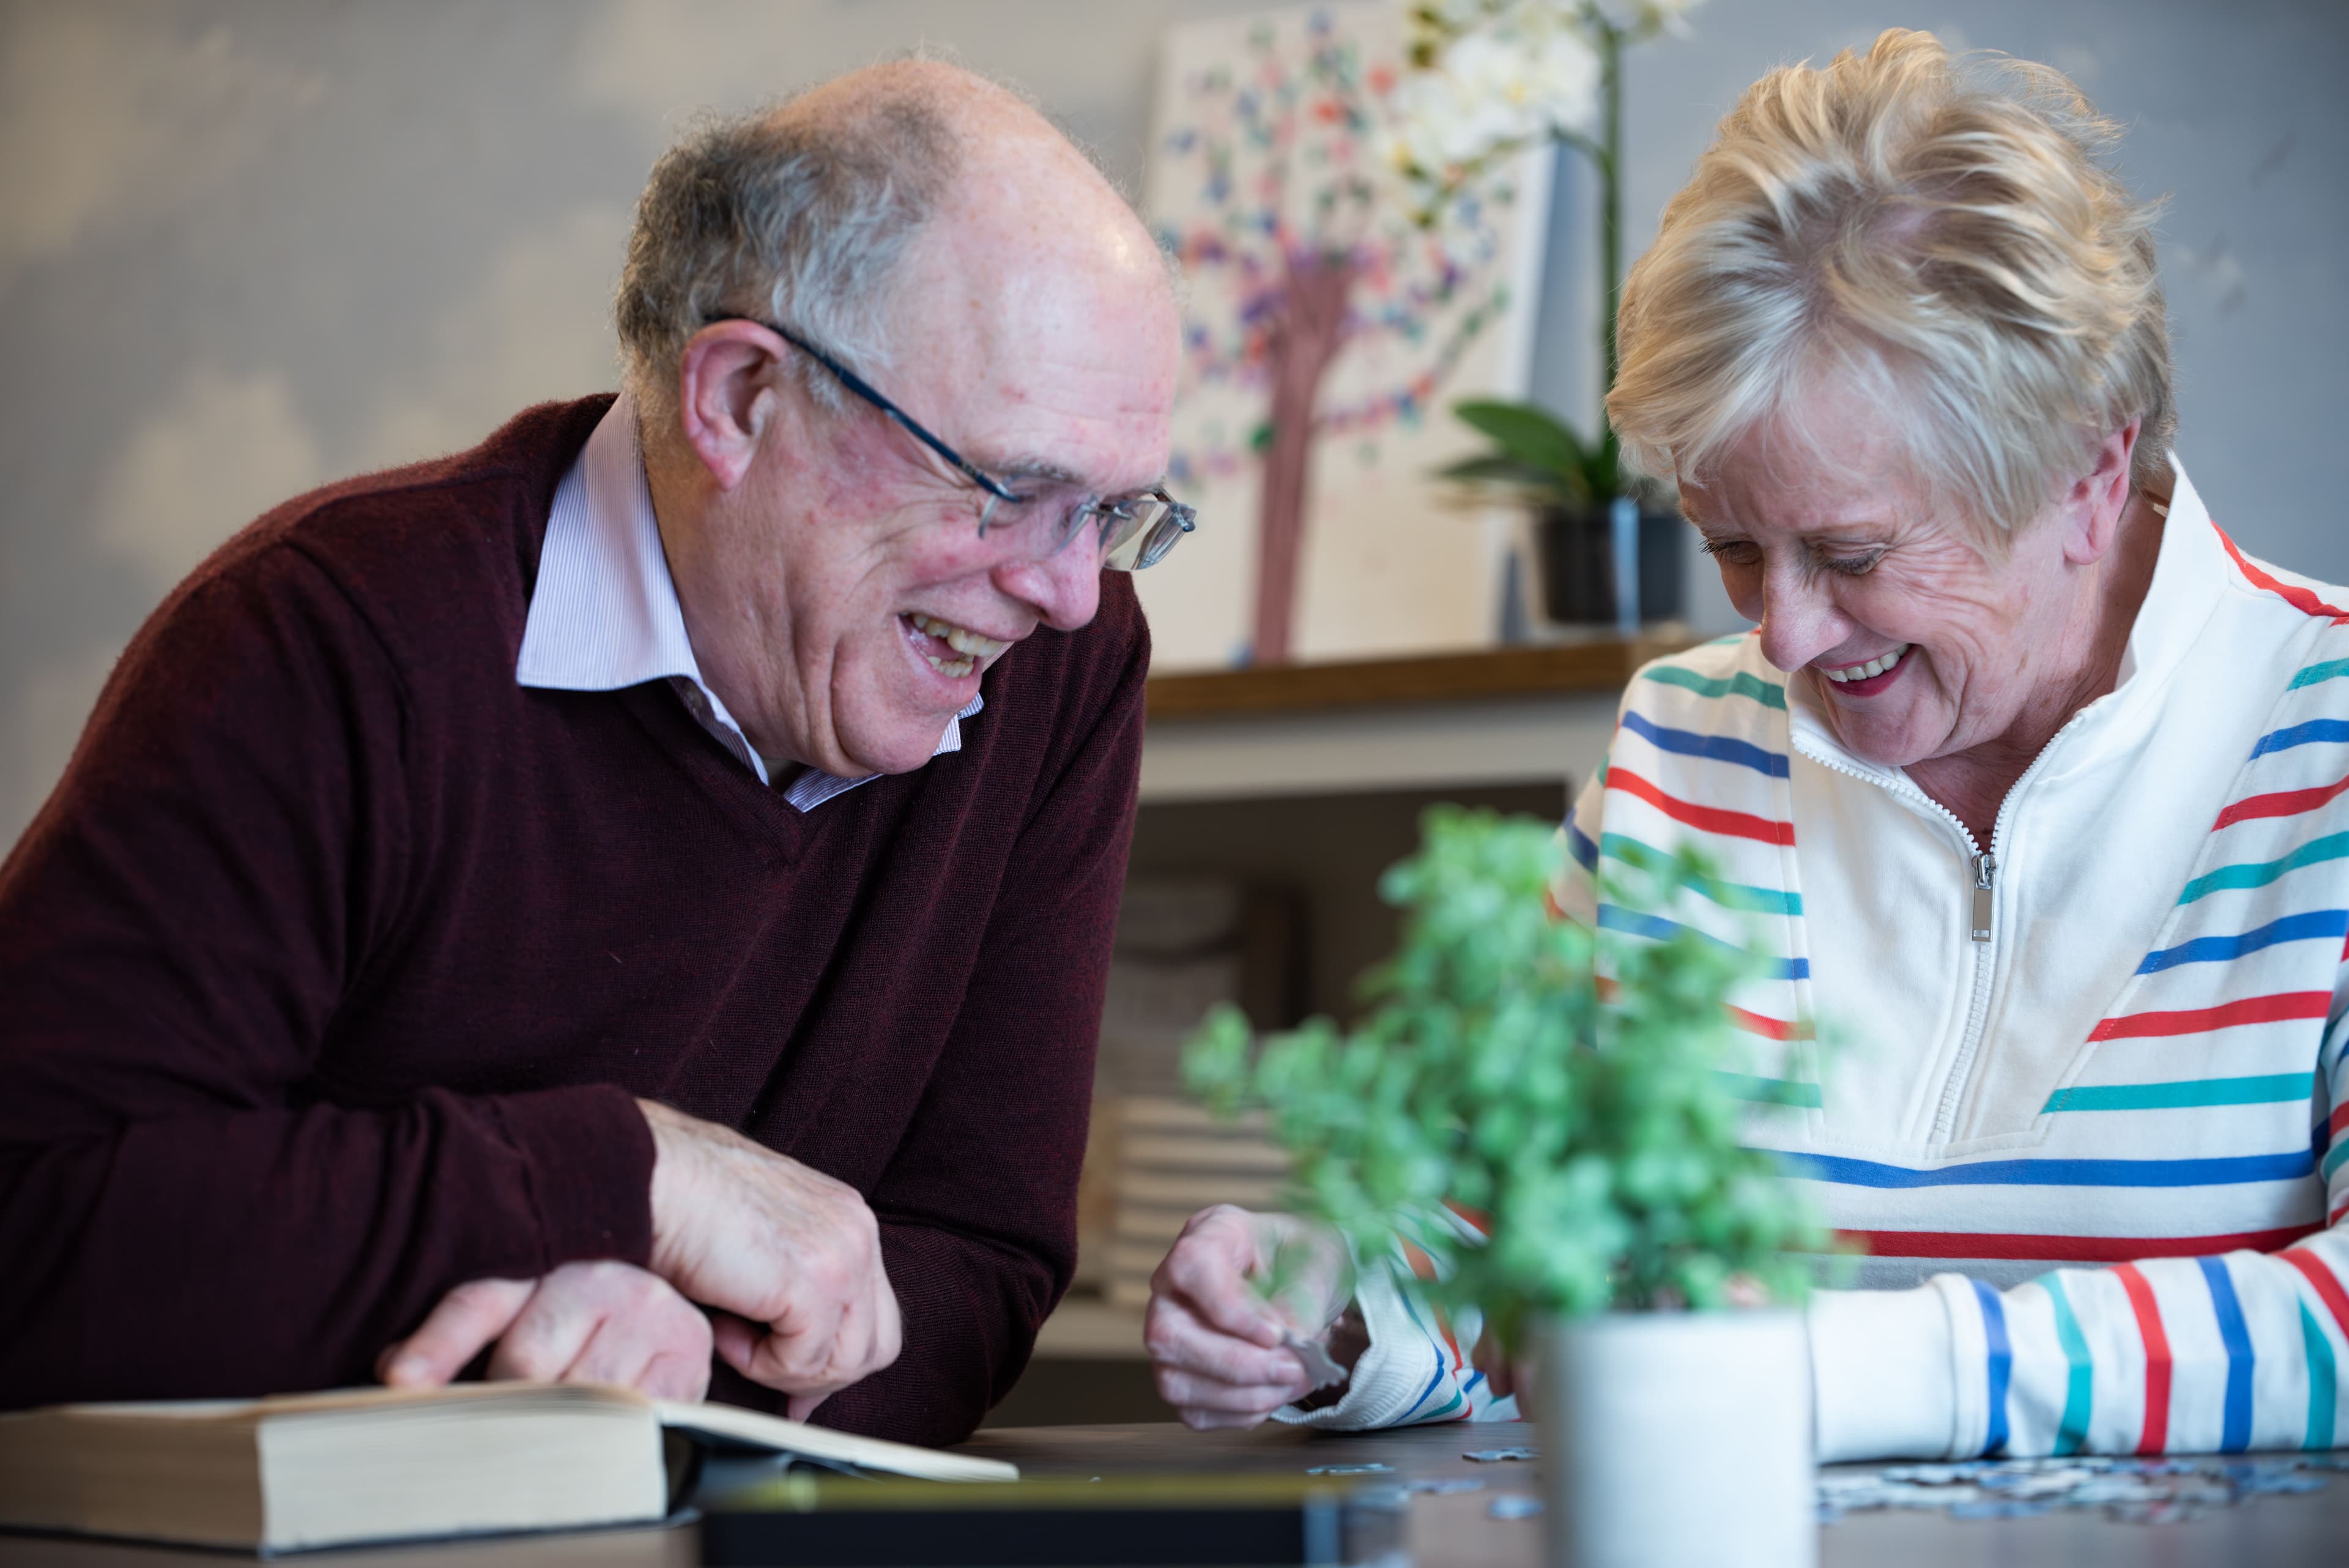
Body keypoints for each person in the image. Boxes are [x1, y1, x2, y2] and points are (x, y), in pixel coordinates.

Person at [1147, 29, 2349, 1458]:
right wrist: (1342, 1307)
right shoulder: (1682, 741)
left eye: (1850, 551)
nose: (1778, 637)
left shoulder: (2323, 736)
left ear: (2090, 470)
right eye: (1731, 547)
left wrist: (1832, 1373)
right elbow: (1511, 1253)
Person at [0, 61, 1194, 1448]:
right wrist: (633, 1176)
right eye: (1016, 491)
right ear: (741, 399)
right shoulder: (327, 634)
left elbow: (974, 1259)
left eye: (1111, 513)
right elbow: (33, 1223)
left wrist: (672, 1357)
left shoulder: (1062, 662)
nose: (1065, 588)